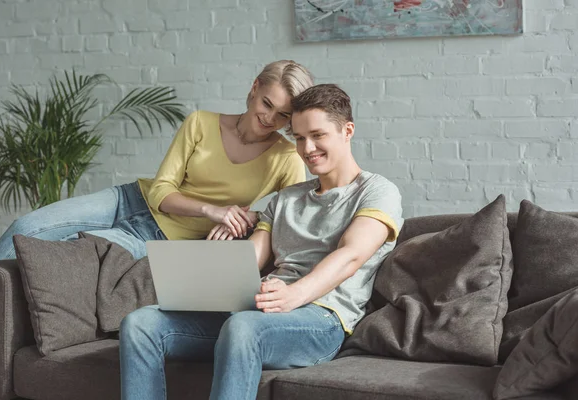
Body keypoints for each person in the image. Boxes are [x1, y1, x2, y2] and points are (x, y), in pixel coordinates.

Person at [119, 84, 404, 400]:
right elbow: (253, 255)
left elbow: (351, 256)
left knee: (243, 327)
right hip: (262, 309)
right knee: (141, 324)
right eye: (298, 137)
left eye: (318, 135)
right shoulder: (286, 198)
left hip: (321, 319)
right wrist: (204, 286)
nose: (307, 148)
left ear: (347, 131)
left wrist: (293, 295)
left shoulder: (377, 191)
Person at [0, 60, 313, 261]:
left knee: (64, 254)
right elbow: (160, 192)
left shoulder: (285, 157)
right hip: (129, 199)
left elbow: (292, 216)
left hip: (158, 237)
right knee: (23, 229)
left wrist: (249, 216)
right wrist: (212, 210)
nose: (270, 117)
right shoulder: (200, 122)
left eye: (283, 114)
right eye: (267, 103)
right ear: (254, 88)